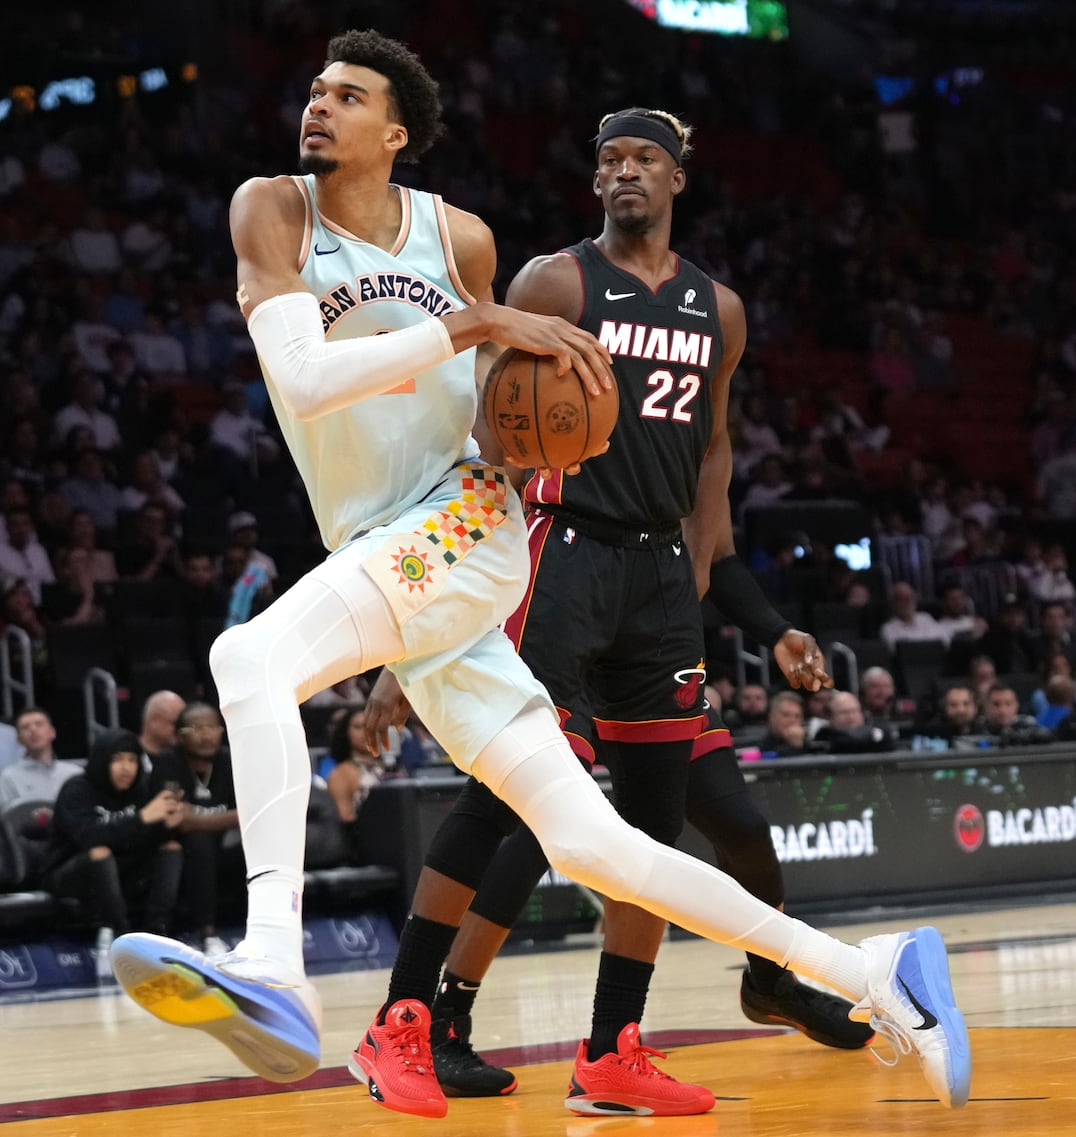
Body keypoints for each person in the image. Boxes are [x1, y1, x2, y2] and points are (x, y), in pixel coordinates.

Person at [107, 30, 968, 1118]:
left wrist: (546, 418)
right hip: (383, 549)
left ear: (397, 133)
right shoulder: (272, 210)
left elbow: (495, 419)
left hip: (464, 523)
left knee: (247, 657)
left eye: (347, 95)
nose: (318, 107)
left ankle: (273, 963)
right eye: (315, 91)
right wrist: (473, 323)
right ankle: (878, 975)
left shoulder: (457, 236)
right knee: (592, 840)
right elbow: (305, 380)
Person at [349, 100, 869, 1115]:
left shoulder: (717, 307)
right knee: (500, 796)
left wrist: (705, 562)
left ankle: (610, 1050)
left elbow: (713, 443)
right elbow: (489, 428)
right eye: (612, 160)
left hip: (659, 572)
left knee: (654, 819)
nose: (627, 172)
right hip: (563, 550)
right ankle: (407, 1019)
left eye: (647, 159)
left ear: (678, 178)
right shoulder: (557, 281)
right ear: (595, 181)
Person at [46, 728, 185, 978]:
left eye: (132, 760)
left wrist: (168, 826)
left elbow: (150, 839)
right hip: (70, 871)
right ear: (102, 760)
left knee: (171, 849)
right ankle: (120, 940)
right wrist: (142, 818)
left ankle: (156, 934)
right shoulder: (76, 789)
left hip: (124, 868)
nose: (126, 768)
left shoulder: (142, 790)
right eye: (118, 759)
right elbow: (87, 837)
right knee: (100, 852)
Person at [152, 702, 241, 959]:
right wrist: (229, 817)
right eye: (197, 728)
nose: (206, 735)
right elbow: (174, 821)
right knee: (199, 841)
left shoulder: (229, 759)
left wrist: (194, 816)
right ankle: (208, 933)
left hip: (226, 845)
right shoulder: (167, 762)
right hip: (178, 848)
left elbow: (251, 813)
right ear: (180, 736)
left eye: (212, 727)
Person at [0, 707, 79, 810]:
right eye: (25, 727)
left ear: (52, 732)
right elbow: (8, 820)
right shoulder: (8, 777)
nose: (33, 730)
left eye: (39, 724)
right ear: (19, 739)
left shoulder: (74, 773)